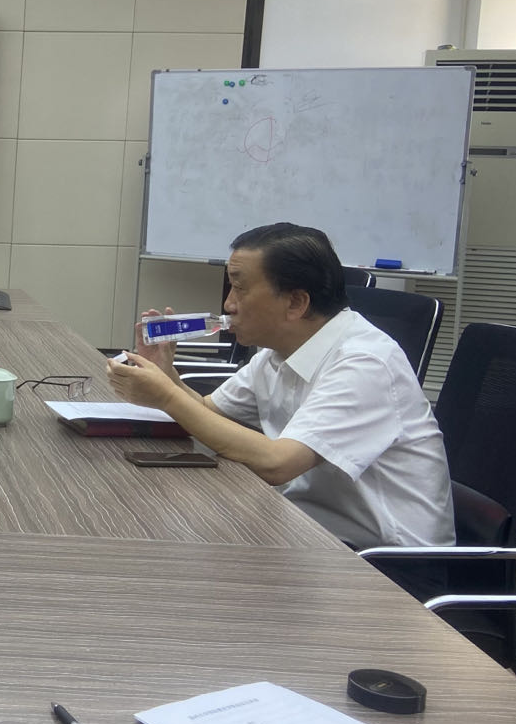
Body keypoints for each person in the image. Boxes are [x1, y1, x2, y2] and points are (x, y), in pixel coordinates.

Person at [106, 222, 455, 569]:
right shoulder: (278, 352)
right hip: (310, 532)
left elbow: (279, 464)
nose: (228, 304)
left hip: (390, 565)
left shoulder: (365, 362)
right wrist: (167, 375)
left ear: (296, 302)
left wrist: (168, 396)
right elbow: (207, 414)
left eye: (240, 288)